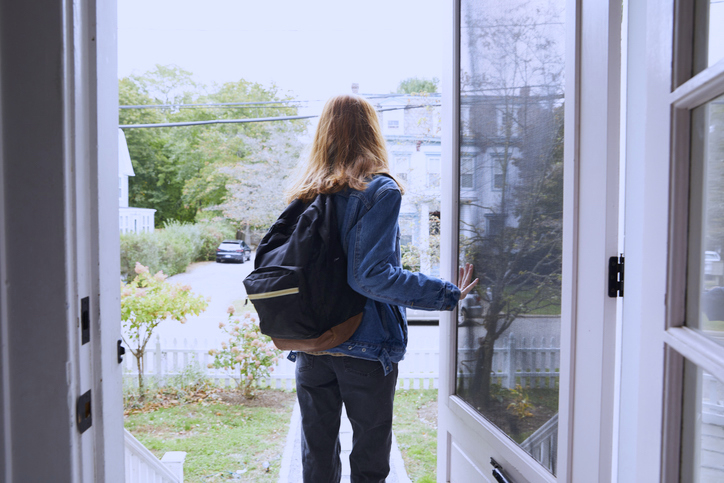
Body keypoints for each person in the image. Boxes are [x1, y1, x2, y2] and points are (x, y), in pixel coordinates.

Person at [284, 94, 478, 483]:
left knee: (316, 455)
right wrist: (445, 294)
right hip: (365, 346)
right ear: (372, 132)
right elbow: (371, 276)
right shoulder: (379, 190)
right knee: (370, 458)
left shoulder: (306, 193)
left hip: (312, 343)